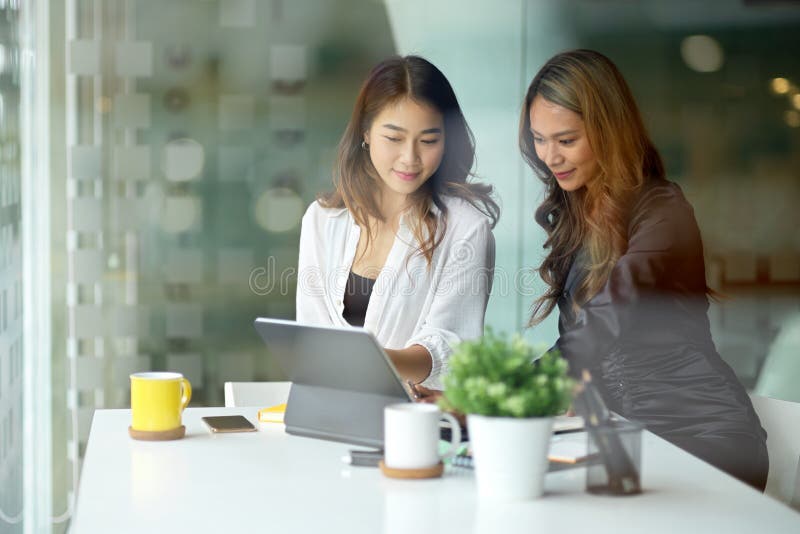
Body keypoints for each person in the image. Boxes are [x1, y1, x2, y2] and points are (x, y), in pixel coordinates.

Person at [519, 49, 768, 490]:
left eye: (566, 139)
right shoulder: (577, 214)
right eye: (539, 139)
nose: (549, 157)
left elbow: (609, 316)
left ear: (609, 131)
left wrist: (506, 392)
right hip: (628, 436)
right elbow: (576, 341)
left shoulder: (663, 210)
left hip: (704, 436)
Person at [296, 55, 499, 390]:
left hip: (417, 420)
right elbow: (311, 334)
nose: (410, 158)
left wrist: (372, 362)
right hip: (329, 406)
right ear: (366, 132)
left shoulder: (466, 228)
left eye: (429, 140)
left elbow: (453, 345)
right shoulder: (323, 219)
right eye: (394, 138)